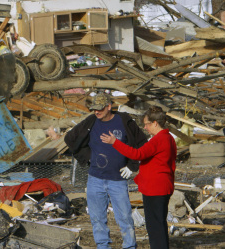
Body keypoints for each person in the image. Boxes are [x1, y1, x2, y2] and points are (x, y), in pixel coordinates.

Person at [65, 92, 148, 249]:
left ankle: (130, 246)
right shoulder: (91, 121)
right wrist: (87, 156)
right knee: (97, 219)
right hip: (95, 179)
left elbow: (142, 143)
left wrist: (132, 165)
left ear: (109, 107)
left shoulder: (124, 121)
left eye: (100, 109)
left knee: (125, 218)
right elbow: (70, 138)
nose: (97, 112)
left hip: (118, 180)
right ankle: (102, 246)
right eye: (94, 109)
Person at [101, 105, 177, 249]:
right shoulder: (168, 138)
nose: (146, 128)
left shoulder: (158, 140)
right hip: (163, 186)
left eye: (147, 124)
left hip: (155, 188)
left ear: (155, 123)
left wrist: (115, 142)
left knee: (155, 227)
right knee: (159, 224)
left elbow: (138, 154)